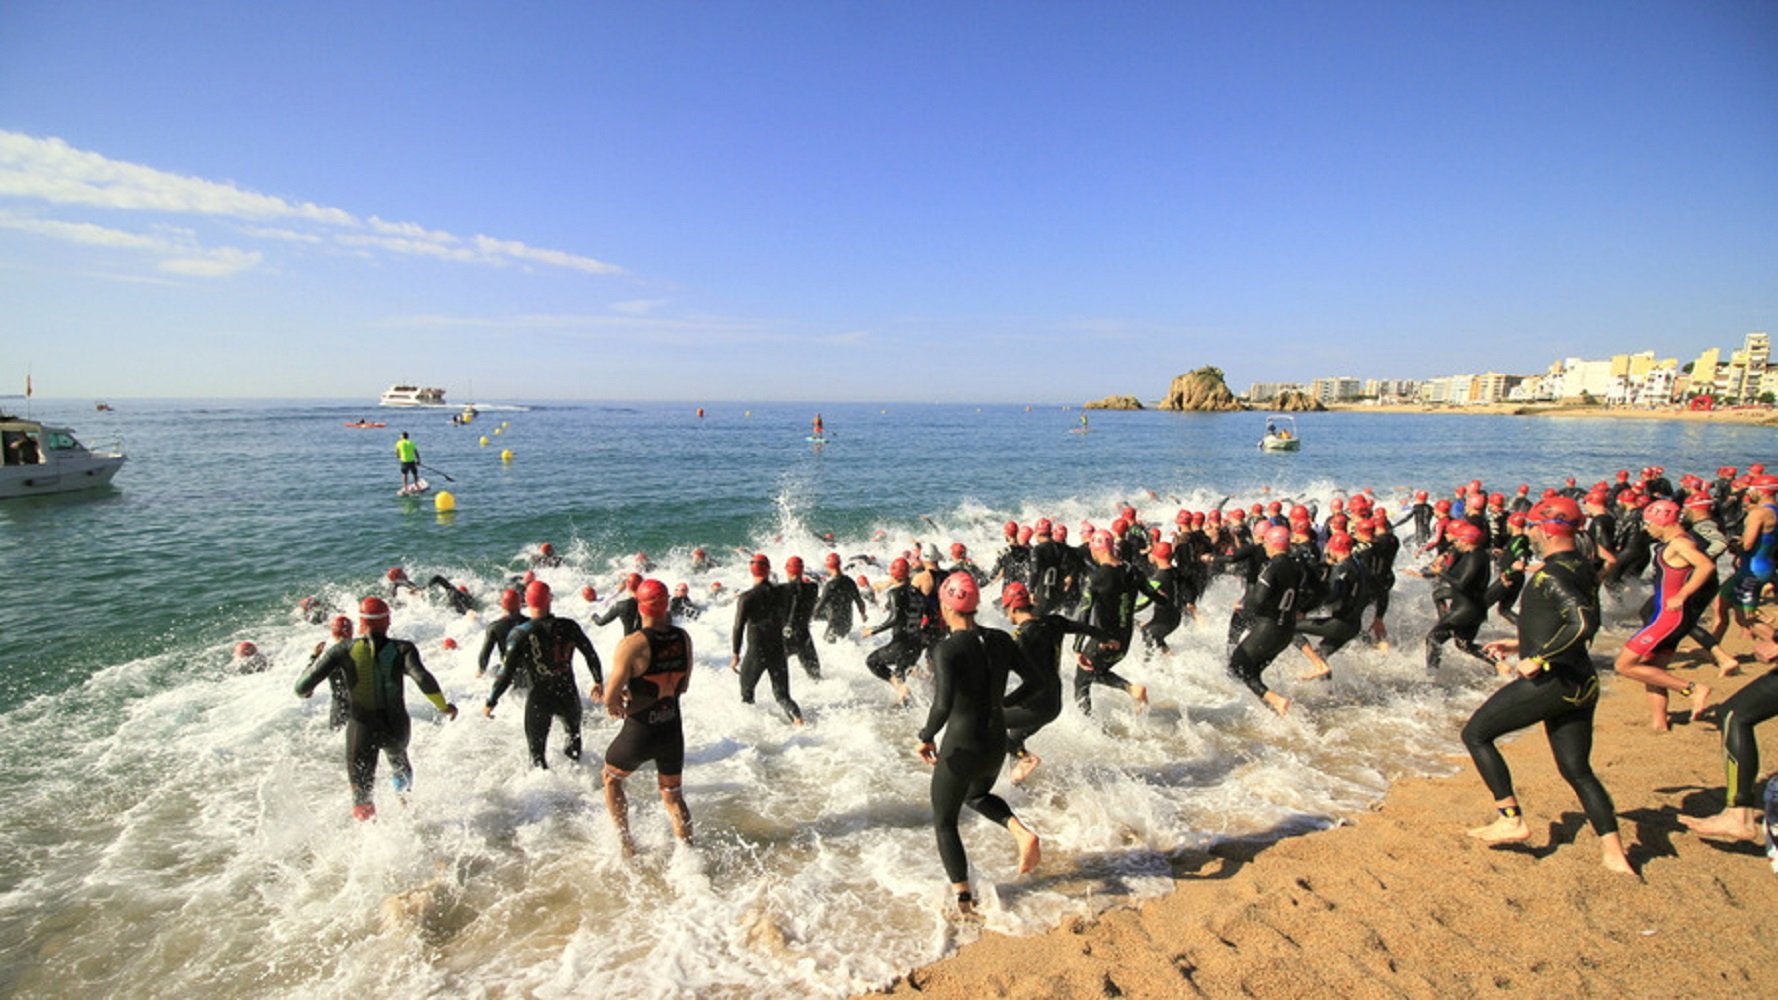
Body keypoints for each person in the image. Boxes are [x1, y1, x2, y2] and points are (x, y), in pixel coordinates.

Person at [1467, 496, 1632, 874]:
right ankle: (1614, 853)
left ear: (1546, 529)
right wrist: (1520, 642)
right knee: (1577, 770)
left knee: (1476, 733)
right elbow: (1571, 621)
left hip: (1553, 681)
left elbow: (1582, 622)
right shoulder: (1582, 567)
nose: (1529, 533)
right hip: (1582, 681)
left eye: (1532, 527)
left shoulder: (1550, 574)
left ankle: (1510, 817)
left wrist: (1540, 657)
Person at [914, 574, 1043, 917]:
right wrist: (1002, 706)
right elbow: (1034, 680)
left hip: (963, 741)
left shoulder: (947, 649)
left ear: (946, 605)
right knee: (976, 796)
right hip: (994, 739)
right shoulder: (1001, 639)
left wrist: (925, 736)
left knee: (944, 821)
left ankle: (964, 901)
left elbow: (942, 706)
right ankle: (1021, 832)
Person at [294, 596, 458, 821]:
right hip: (396, 726)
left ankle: (370, 842)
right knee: (399, 763)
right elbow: (423, 678)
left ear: (361, 623)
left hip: (361, 730)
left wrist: (306, 690)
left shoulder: (341, 650)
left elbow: (301, 687)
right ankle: (407, 813)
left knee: (362, 795)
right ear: (388, 621)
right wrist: (444, 707)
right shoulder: (404, 649)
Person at [602, 580, 694, 856]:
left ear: (639, 606)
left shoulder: (632, 644)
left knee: (611, 779)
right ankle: (688, 855)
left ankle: (626, 843)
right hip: (671, 729)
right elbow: (684, 685)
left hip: (640, 731)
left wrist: (616, 705)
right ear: (666, 604)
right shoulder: (683, 638)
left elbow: (610, 697)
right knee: (673, 795)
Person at [1612, 500, 1715, 731]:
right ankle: (1659, 723)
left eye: (1649, 523)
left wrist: (1683, 594)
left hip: (1669, 618)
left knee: (1624, 665)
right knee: (1653, 669)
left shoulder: (1679, 544)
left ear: (1663, 521)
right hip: (1672, 617)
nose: (1647, 529)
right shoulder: (1677, 542)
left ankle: (1692, 689)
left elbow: (1706, 566)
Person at [1000, 581, 1115, 784]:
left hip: (1035, 705)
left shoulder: (1021, 637)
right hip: (1054, 704)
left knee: (989, 722)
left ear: (1013, 607)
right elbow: (1083, 627)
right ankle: (1018, 786)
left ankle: (1026, 760)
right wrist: (1106, 638)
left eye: (1005, 609)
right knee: (1014, 739)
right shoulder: (1054, 622)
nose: (1005, 614)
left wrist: (1002, 702)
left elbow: (1002, 668)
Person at [483, 580, 604, 769]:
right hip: (568, 693)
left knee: (537, 757)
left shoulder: (520, 633)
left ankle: (546, 795)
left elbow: (506, 673)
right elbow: (591, 654)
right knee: (574, 745)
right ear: (550, 600)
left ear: (526, 601)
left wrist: (491, 701)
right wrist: (598, 681)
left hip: (539, 698)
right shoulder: (569, 626)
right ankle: (580, 788)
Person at [1226, 525, 1303, 716]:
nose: (1264, 547)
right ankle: (1274, 711)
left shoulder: (1272, 568)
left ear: (1273, 544)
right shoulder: (1298, 565)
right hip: (1287, 631)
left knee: (1237, 667)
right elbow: (1319, 592)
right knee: (1251, 672)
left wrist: (1243, 605)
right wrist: (1301, 609)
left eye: (1266, 543)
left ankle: (1278, 701)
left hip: (1269, 628)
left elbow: (1257, 599)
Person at [1072, 529, 1151, 715]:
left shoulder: (1095, 578)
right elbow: (1153, 595)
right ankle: (1131, 689)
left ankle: (1088, 727)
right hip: (1125, 640)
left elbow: (1083, 614)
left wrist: (1077, 647)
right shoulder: (1132, 570)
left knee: (1081, 682)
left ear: (1095, 549)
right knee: (1096, 673)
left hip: (1103, 641)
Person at [730, 554, 804, 725]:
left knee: (747, 694)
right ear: (769, 570)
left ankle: (753, 732)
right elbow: (797, 590)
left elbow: (738, 627)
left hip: (757, 650)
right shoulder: (783, 592)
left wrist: (735, 654)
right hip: (778, 648)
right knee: (783, 696)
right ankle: (799, 721)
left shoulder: (746, 598)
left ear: (751, 570)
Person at [1417, 521, 1494, 672]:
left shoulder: (1474, 558)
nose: (1455, 543)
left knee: (1433, 638)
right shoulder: (1479, 555)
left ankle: (1432, 674)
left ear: (1466, 541)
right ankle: (1499, 664)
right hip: (1474, 608)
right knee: (1464, 645)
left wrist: (1441, 573)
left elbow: (1461, 584)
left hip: (1465, 610)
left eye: (1458, 540)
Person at [1294, 532, 1370, 681]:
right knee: (1321, 655)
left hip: (1338, 624)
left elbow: (1336, 604)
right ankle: (1329, 692)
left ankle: (1318, 665)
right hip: (1354, 625)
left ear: (1334, 548)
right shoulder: (1359, 565)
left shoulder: (1342, 569)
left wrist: (1307, 614)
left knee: (1289, 627)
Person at [864, 557, 925, 703]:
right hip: (916, 644)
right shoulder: (918, 593)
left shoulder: (895, 593)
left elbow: (895, 619)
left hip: (900, 645)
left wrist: (873, 630)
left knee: (872, 661)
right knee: (901, 673)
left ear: (893, 574)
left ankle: (900, 688)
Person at [305, 615, 355, 729]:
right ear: (352, 631)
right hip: (365, 709)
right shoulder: (363, 650)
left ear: (333, 633)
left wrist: (314, 657)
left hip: (340, 711)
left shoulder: (330, 656)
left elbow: (306, 691)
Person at [781, 556, 822, 680]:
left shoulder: (781, 590)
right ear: (802, 570)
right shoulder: (813, 588)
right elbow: (799, 592)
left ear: (787, 570)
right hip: (804, 636)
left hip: (785, 636)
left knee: (776, 676)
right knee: (816, 677)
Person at [812, 552, 867, 642]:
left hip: (834, 624)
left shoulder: (830, 586)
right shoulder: (850, 581)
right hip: (847, 622)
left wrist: (810, 617)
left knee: (827, 647)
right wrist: (863, 615)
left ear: (828, 566)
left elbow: (819, 606)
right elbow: (859, 601)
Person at [476, 588, 527, 683]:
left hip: (509, 676)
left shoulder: (494, 627)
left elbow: (484, 655)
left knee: (493, 671)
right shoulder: (531, 623)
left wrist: (480, 671)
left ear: (502, 605)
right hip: (528, 674)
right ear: (520, 604)